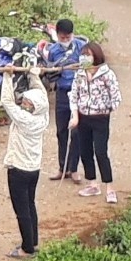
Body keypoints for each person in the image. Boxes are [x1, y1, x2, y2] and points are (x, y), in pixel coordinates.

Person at [0, 66, 49, 258]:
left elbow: (6, 101)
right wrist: (33, 75)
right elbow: (42, 94)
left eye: (28, 102)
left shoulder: (24, 118)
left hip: (19, 169)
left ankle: (27, 248)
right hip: (33, 169)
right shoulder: (42, 116)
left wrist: (7, 76)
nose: (24, 102)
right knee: (30, 205)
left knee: (22, 210)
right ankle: (32, 241)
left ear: (32, 107)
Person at [70, 41, 122, 203]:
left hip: (100, 119)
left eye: (88, 55)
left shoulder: (107, 74)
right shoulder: (80, 74)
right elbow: (73, 95)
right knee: (85, 152)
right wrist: (75, 116)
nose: (84, 58)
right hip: (83, 117)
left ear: (96, 56)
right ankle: (93, 184)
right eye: (83, 55)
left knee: (100, 152)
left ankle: (109, 187)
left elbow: (116, 97)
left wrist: (106, 109)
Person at [44, 19, 87, 183]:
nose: (65, 40)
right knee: (61, 131)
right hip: (62, 93)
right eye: (62, 37)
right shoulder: (53, 50)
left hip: (79, 93)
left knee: (76, 131)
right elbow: (50, 72)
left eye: (67, 37)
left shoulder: (81, 47)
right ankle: (62, 168)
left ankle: (74, 169)